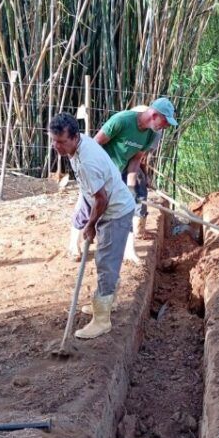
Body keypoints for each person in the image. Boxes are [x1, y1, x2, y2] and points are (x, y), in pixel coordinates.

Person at [50, 112, 135, 339]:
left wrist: (90, 225)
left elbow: (102, 198)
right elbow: (91, 193)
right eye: (54, 140)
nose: (56, 146)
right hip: (107, 205)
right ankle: (107, 302)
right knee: (108, 259)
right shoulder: (75, 149)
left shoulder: (87, 160)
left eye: (61, 141)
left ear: (75, 137)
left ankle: (102, 319)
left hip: (116, 212)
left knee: (106, 261)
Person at [67, 97, 178, 263]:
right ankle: (73, 245)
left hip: (119, 170)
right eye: (165, 122)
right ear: (154, 115)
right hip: (99, 168)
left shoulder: (150, 135)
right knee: (88, 208)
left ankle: (128, 251)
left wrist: (131, 187)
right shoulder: (122, 121)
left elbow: (135, 160)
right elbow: (95, 144)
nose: (166, 126)